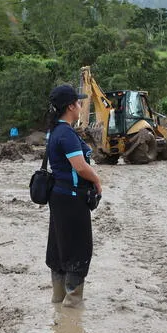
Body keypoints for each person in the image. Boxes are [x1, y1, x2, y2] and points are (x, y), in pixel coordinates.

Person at [46, 84, 102, 308]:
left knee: (59, 247)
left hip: (58, 197)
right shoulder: (66, 134)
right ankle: (72, 305)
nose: (80, 106)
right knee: (78, 249)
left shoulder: (53, 131)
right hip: (71, 199)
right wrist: (97, 180)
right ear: (70, 106)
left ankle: (58, 301)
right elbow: (80, 167)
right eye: (78, 102)